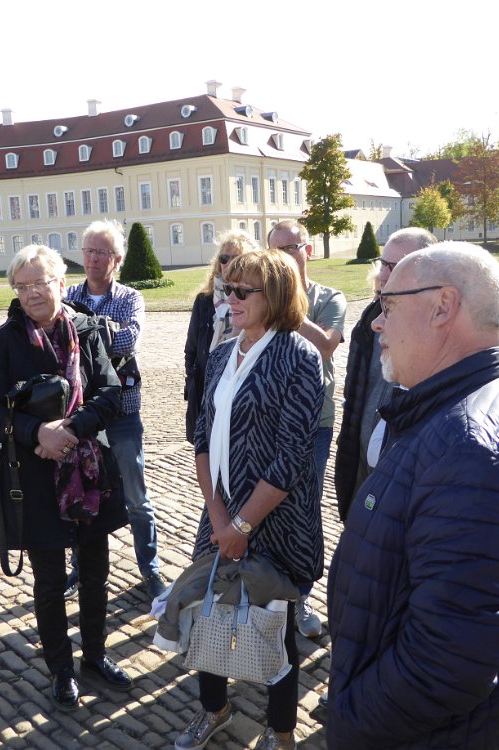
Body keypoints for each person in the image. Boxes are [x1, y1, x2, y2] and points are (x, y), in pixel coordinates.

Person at [325, 242, 499, 749]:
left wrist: (349, 720)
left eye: (388, 305)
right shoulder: (468, 408)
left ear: (443, 307)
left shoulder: (468, 446)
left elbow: (445, 664)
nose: (376, 323)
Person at [0, 244, 133, 710]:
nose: (31, 294)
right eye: (22, 286)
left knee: (96, 574)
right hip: (34, 478)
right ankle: (61, 668)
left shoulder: (87, 329)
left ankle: (95, 655)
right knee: (48, 581)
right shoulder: (4, 341)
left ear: (62, 283)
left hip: (89, 473)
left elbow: (110, 393)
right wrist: (35, 432)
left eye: (40, 283)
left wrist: (71, 430)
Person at [175, 250, 324, 750]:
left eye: (242, 291)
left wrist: (242, 526)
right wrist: (220, 518)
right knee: (210, 611)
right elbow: (201, 435)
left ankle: (280, 731)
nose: (230, 298)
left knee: (275, 627)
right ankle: (214, 709)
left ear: (275, 295)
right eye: (227, 289)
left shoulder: (299, 357)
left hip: (276, 519)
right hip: (220, 514)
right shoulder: (222, 353)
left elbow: (291, 457)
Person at [65, 220, 166, 599]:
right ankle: (79, 569)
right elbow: (59, 341)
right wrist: (102, 330)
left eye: (102, 252)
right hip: (81, 413)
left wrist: (83, 333)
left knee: (136, 496)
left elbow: (127, 340)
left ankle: (151, 570)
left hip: (122, 412)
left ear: (117, 259)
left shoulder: (129, 298)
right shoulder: (67, 294)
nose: (93, 258)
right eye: (89, 250)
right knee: (80, 492)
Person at [266, 219, 346, 638]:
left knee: (304, 509)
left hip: (314, 424)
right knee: (264, 506)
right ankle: (267, 594)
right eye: (276, 250)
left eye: (291, 248)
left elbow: (326, 345)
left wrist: (285, 304)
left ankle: (301, 596)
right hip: (267, 421)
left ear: (308, 250)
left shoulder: (329, 298)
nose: (284, 257)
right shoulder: (260, 296)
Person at [333, 227, 436, 522]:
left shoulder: (433, 330)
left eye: (396, 265)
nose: (384, 274)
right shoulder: (368, 322)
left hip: (402, 479)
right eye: (383, 263)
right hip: (361, 465)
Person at [184, 229, 259, 444]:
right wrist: (193, 384)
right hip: (207, 390)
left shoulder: (257, 300)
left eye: (236, 258)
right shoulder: (204, 300)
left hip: (243, 390)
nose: (228, 263)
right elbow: (191, 350)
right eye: (224, 258)